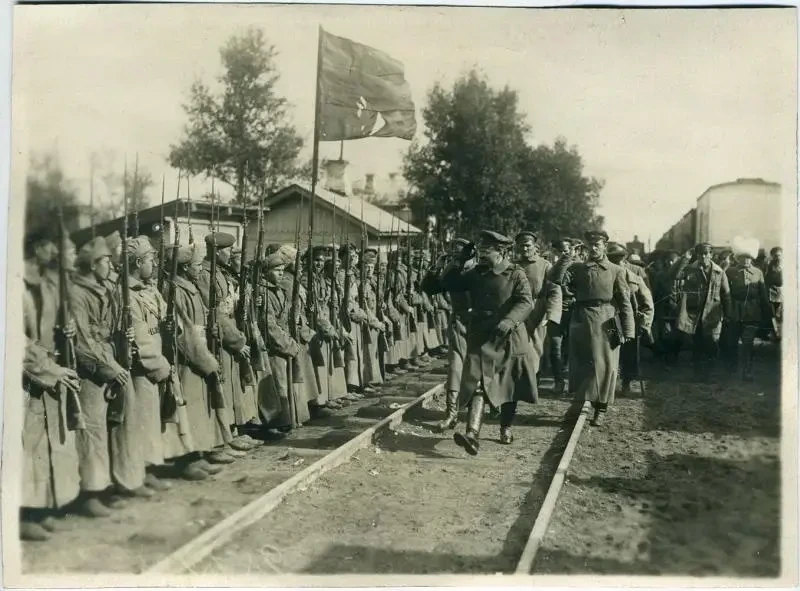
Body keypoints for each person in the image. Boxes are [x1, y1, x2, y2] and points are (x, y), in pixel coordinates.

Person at [425, 230, 536, 454]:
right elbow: (436, 287)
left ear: (502, 251)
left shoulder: (516, 274)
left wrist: (509, 321)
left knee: (508, 385)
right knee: (477, 382)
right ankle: (472, 434)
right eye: (481, 249)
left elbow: (526, 303)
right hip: (481, 335)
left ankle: (505, 427)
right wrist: (458, 261)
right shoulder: (476, 273)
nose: (483, 254)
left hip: (509, 337)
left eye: (489, 250)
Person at [71, 237, 143, 515]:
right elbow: (81, 342)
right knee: (92, 430)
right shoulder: (78, 294)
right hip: (91, 369)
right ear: (92, 264)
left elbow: (111, 326)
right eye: (104, 260)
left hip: (110, 357)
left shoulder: (105, 289)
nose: (110, 264)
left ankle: (111, 484)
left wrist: (124, 335)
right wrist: (109, 369)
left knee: (115, 424)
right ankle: (91, 493)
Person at [21, 229, 81, 539]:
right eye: (47, 245)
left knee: (43, 444)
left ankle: (40, 508)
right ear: (35, 248)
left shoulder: (45, 283)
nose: (53, 251)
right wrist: (49, 369)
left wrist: (64, 332)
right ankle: (22, 516)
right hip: (26, 376)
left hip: (44, 369)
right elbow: (19, 343)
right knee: (26, 446)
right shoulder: (17, 285)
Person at [551, 230, 634, 426]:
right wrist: (567, 258)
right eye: (591, 245)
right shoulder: (578, 268)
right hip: (582, 319)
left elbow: (625, 301)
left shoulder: (616, 270)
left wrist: (629, 329)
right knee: (582, 364)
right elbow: (556, 279)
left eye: (599, 244)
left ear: (605, 246)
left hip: (608, 321)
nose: (595, 248)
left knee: (607, 365)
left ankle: (601, 409)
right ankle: (583, 402)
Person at [125, 236, 175, 492]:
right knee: (141, 420)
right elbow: (141, 341)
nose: (154, 264)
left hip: (158, 362)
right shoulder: (128, 295)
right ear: (137, 262)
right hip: (143, 368)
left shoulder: (149, 288)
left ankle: (149, 468)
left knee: (152, 419)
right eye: (150, 259)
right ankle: (139, 473)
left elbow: (164, 315)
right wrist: (162, 366)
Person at [422, 238, 474, 431]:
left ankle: (476, 413)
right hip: (459, 322)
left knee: (479, 370)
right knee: (455, 367)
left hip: (480, 324)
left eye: (460, 253)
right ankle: (451, 413)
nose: (457, 257)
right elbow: (430, 288)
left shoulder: (481, 269)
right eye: (454, 254)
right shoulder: (452, 271)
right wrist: (437, 267)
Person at [670, 243, 731, 382]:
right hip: (694, 314)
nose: (703, 256)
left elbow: (726, 294)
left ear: (711, 255)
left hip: (712, 313)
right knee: (697, 344)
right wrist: (684, 259)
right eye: (700, 254)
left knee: (711, 343)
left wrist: (728, 314)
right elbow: (674, 275)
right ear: (697, 255)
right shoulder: (690, 269)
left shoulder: (719, 272)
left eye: (706, 253)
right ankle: (697, 374)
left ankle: (709, 373)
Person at [606, 242, 654, 394]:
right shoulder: (603, 273)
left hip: (630, 319)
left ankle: (626, 382)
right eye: (612, 258)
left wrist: (645, 320)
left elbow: (647, 300)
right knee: (608, 351)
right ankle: (608, 383)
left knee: (629, 353)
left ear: (625, 258)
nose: (616, 261)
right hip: (608, 318)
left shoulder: (636, 274)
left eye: (619, 258)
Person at [514, 231, 562, 380]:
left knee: (536, 347)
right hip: (517, 309)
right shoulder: (514, 266)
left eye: (528, 246)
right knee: (518, 344)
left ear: (535, 246)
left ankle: (534, 378)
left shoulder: (545, 265)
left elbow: (554, 291)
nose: (525, 249)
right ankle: (520, 378)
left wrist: (550, 314)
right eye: (521, 246)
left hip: (538, 309)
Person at [725, 241, 772, 381]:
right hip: (734, 311)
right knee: (732, 342)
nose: (745, 260)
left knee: (747, 342)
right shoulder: (730, 271)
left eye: (748, 258)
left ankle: (747, 371)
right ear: (737, 258)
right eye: (742, 257)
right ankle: (731, 369)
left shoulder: (758, 272)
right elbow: (725, 293)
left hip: (752, 312)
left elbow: (763, 294)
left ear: (752, 258)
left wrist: (768, 313)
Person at [548, 238, 575, 395]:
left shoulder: (578, 265)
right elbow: (555, 278)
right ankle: (558, 381)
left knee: (572, 347)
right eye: (561, 250)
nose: (565, 253)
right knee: (555, 346)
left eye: (567, 250)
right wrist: (563, 260)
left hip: (573, 310)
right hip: (556, 310)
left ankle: (571, 379)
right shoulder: (552, 266)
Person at [765, 247, 783, 341]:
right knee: (772, 314)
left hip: (782, 292)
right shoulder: (769, 265)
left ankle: (781, 333)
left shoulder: (786, 265)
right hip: (771, 292)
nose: (778, 257)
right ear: (772, 256)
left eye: (779, 255)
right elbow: (766, 279)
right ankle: (775, 334)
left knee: (780, 315)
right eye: (775, 255)